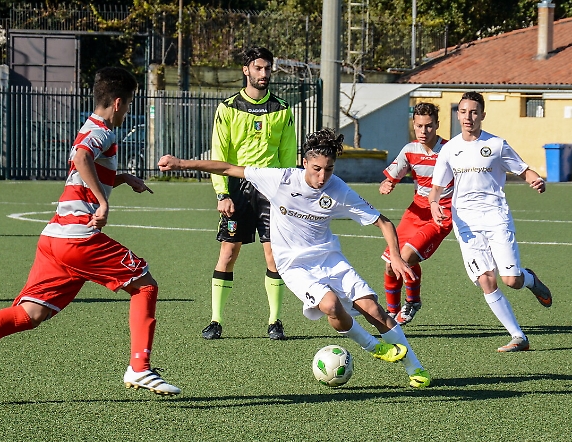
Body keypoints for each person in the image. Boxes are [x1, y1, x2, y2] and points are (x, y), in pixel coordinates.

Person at [0, 67, 181, 395]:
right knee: (144, 285)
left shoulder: (89, 125)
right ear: (118, 103)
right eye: (129, 104)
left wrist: (123, 178)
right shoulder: (102, 131)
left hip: (54, 238)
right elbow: (82, 157)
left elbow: (83, 169)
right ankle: (139, 368)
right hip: (78, 238)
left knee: (30, 314)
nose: (127, 111)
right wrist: (103, 203)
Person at [159, 128, 432, 388]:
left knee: (373, 309)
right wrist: (180, 163)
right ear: (304, 163)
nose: (322, 176)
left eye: (329, 169)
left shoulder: (338, 189)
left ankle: (415, 368)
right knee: (331, 305)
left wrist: (396, 256)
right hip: (294, 265)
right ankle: (374, 347)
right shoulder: (281, 179)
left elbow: (383, 222)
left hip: (330, 258)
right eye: (316, 169)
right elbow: (229, 168)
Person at [429, 91, 552, 353]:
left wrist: (535, 179)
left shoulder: (496, 145)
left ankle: (530, 279)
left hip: (496, 217)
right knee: (486, 279)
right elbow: (436, 188)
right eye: (463, 112)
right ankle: (518, 336)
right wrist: (434, 204)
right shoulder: (449, 149)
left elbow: (523, 169)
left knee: (511, 280)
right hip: (466, 222)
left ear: (482, 115)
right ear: (458, 115)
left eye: (474, 112)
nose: (468, 117)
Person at [203, 45, 298, 341]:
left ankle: (274, 321)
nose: (264, 73)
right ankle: (216, 320)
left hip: (272, 191)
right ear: (246, 70)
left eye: (267, 68)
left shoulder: (282, 109)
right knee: (228, 253)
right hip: (237, 191)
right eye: (258, 68)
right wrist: (222, 194)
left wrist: (288, 193)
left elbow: (288, 155)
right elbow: (219, 152)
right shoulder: (228, 108)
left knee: (273, 256)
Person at [378, 102, 453, 325]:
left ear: (437, 125)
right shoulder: (409, 150)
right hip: (416, 212)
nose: (423, 131)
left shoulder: (450, 150)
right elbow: (393, 176)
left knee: (405, 257)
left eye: (428, 126)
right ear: (413, 125)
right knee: (391, 263)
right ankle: (392, 311)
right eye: (419, 126)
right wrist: (387, 184)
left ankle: (412, 301)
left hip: (441, 214)